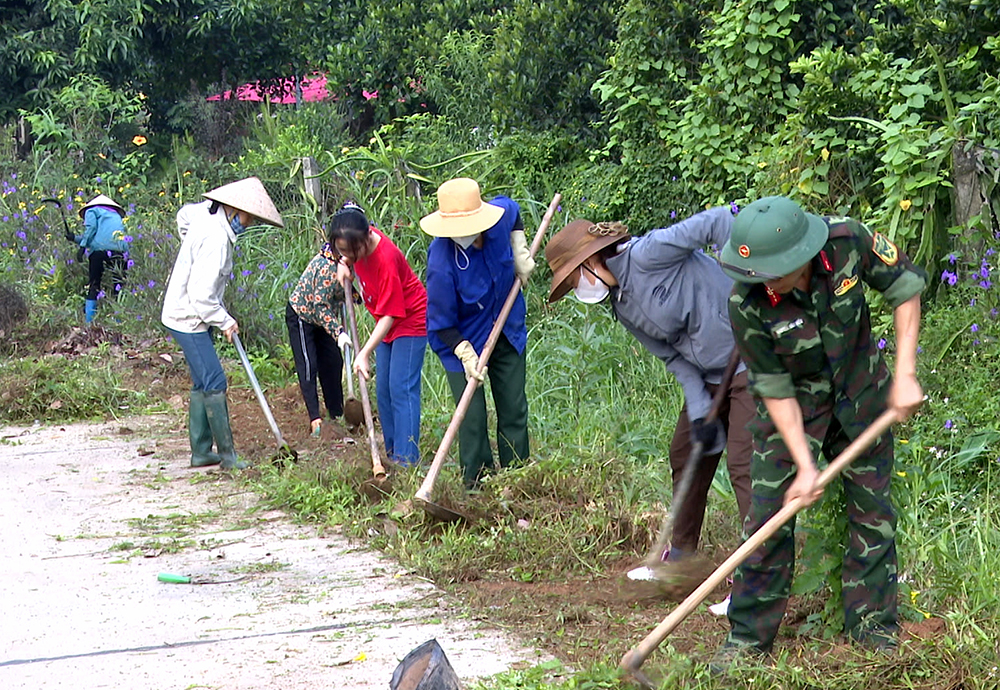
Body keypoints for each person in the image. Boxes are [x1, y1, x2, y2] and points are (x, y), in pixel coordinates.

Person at [713, 196, 926, 667]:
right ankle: (748, 640)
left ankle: (873, 632)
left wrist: (906, 373)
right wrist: (804, 466)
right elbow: (772, 386)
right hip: (794, 411)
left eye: (775, 272)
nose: (766, 282)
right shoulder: (746, 302)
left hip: (862, 395)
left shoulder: (847, 240)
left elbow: (905, 286)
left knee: (872, 516)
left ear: (801, 255)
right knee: (767, 521)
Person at [545, 208, 753, 565]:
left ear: (593, 258)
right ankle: (681, 559)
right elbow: (672, 358)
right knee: (685, 453)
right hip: (707, 376)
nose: (578, 287)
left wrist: (745, 280)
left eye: (576, 277)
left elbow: (720, 221)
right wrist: (699, 405)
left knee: (743, 465)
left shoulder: (649, 253)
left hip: (749, 356)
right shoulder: (622, 305)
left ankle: (757, 568)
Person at [160, 177, 284, 470]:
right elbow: (201, 297)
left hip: (189, 312)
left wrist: (189, 244)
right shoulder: (215, 240)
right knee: (214, 379)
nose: (249, 222)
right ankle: (227, 457)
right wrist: (225, 321)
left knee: (203, 379)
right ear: (232, 209)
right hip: (186, 317)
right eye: (247, 217)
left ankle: (201, 452)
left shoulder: (206, 212)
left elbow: (183, 216)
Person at [420, 178, 535, 490]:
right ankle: (477, 486)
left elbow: (514, 211)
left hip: (507, 329)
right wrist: (465, 352)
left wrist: (519, 249)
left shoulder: (497, 220)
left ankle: (516, 480)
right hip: (464, 342)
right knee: (472, 419)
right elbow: (441, 325)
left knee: (513, 408)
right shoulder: (442, 261)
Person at [332, 205, 427, 467]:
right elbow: (347, 254)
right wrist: (343, 264)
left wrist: (364, 353)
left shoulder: (385, 257)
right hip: (385, 320)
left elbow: (391, 315)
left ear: (365, 238)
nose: (350, 255)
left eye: (352, 251)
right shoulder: (356, 236)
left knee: (401, 388)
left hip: (409, 319)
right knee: (383, 390)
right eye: (343, 251)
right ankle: (391, 455)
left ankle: (407, 461)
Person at [286, 239, 350, 437]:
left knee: (333, 361)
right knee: (308, 365)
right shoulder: (327, 268)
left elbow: (351, 294)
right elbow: (319, 306)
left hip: (324, 318)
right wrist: (339, 332)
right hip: (303, 314)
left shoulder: (349, 262)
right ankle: (314, 418)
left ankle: (337, 413)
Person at [75, 194, 130, 323]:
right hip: (119, 251)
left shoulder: (92, 210)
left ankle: (89, 322)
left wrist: (82, 247)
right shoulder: (116, 215)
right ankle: (119, 321)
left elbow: (91, 229)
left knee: (94, 284)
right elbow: (102, 237)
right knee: (119, 285)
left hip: (98, 252)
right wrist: (74, 238)